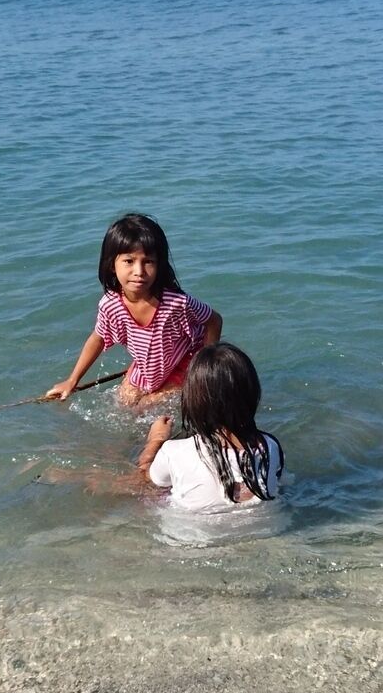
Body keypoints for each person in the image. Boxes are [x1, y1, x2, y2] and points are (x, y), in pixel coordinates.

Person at [48, 213, 222, 410]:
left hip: (186, 361)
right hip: (149, 365)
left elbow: (213, 320)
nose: (139, 271)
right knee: (123, 402)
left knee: (144, 407)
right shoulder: (110, 305)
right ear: (112, 265)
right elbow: (98, 338)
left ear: (160, 265)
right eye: (129, 261)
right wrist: (72, 381)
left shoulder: (176, 303)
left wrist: (204, 368)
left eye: (148, 261)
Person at [137, 343, 284, 511]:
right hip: (267, 534)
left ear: (194, 399)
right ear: (252, 392)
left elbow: (142, 480)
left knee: (151, 494)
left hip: (191, 536)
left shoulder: (174, 452)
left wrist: (156, 440)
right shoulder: (270, 447)